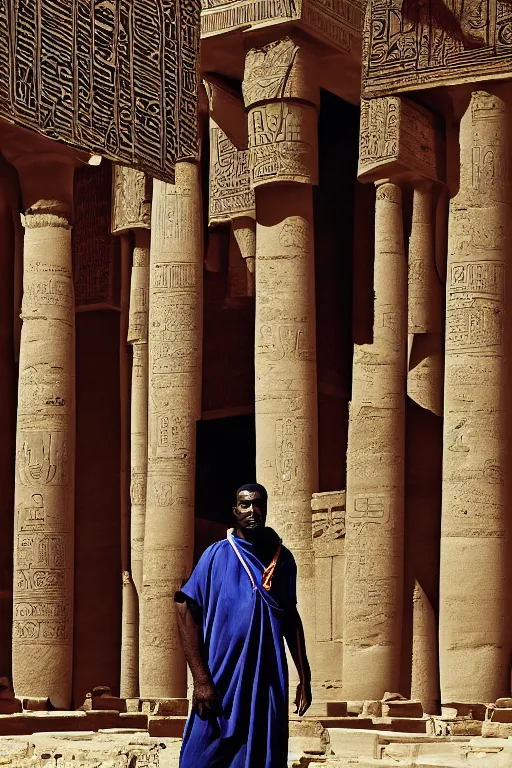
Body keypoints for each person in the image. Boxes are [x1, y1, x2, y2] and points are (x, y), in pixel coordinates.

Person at [175, 483, 312, 768]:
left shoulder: (282, 560)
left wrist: (305, 676)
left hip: (267, 678)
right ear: (235, 511)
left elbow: (290, 618)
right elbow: (184, 608)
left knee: (262, 754)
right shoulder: (216, 555)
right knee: (198, 758)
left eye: (258, 504)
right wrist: (201, 680)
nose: (253, 511)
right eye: (245, 505)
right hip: (221, 676)